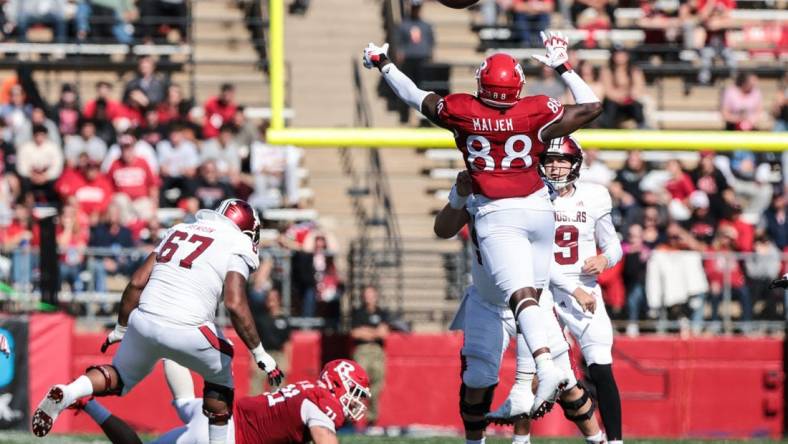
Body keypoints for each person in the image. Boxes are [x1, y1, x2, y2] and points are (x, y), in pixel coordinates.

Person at [362, 30, 602, 417]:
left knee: (521, 296)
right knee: (534, 298)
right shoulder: (536, 109)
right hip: (540, 210)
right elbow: (592, 106)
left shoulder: (462, 110)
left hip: (497, 210)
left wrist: (383, 64)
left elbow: (412, 95)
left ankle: (544, 369)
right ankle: (526, 388)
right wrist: (562, 66)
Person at [32, 199, 284, 444]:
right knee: (221, 377)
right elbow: (235, 303)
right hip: (190, 327)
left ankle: (70, 392)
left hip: (144, 320)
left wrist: (121, 327)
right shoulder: (237, 242)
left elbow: (137, 282)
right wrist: (259, 353)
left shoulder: (180, 229)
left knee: (118, 377)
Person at [435, 171, 605, 444]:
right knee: (477, 378)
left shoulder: (538, 195)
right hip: (488, 302)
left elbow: (543, 260)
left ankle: (598, 441)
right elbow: (442, 230)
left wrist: (572, 288)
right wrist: (459, 197)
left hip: (533, 298)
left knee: (566, 382)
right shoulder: (478, 192)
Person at [535, 137, 624, 443]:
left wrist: (604, 258)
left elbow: (613, 243)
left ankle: (614, 441)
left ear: (576, 165)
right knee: (554, 376)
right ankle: (594, 436)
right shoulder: (532, 197)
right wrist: (574, 289)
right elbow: (535, 257)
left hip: (585, 291)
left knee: (601, 369)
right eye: (550, 160)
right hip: (544, 293)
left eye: (562, 160)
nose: (555, 167)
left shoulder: (594, 196)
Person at [70, 358, 369, 444]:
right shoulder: (321, 402)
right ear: (337, 385)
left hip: (214, 416)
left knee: (185, 400)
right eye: (353, 391)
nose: (355, 402)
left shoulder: (307, 391)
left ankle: (88, 403)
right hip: (223, 435)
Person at [350, 285, 389, 425]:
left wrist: (366, 331)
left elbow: (384, 333)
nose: (368, 297)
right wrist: (374, 332)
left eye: (371, 294)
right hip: (362, 350)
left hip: (377, 351)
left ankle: (372, 418)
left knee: (377, 384)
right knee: (357, 384)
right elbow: (355, 333)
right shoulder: (357, 312)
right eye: (366, 294)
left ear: (376, 296)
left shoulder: (382, 312)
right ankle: (353, 417)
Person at [393, 0, 435, 124]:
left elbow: (430, 41)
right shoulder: (403, 25)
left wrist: (429, 53)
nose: (415, 9)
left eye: (417, 7)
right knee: (405, 87)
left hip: (422, 59)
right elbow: (398, 41)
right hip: (409, 60)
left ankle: (424, 118)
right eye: (414, 7)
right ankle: (404, 116)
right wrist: (399, 52)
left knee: (423, 88)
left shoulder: (426, 25)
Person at [249, 288, 291, 395]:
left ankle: (277, 410)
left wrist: (288, 361)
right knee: (257, 385)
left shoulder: (284, 319)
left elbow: (287, 342)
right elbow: (253, 339)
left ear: (279, 300)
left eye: (274, 299)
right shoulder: (260, 318)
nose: (271, 302)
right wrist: (252, 359)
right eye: (269, 299)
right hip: (263, 353)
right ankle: (256, 410)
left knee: (279, 387)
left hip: (279, 355)